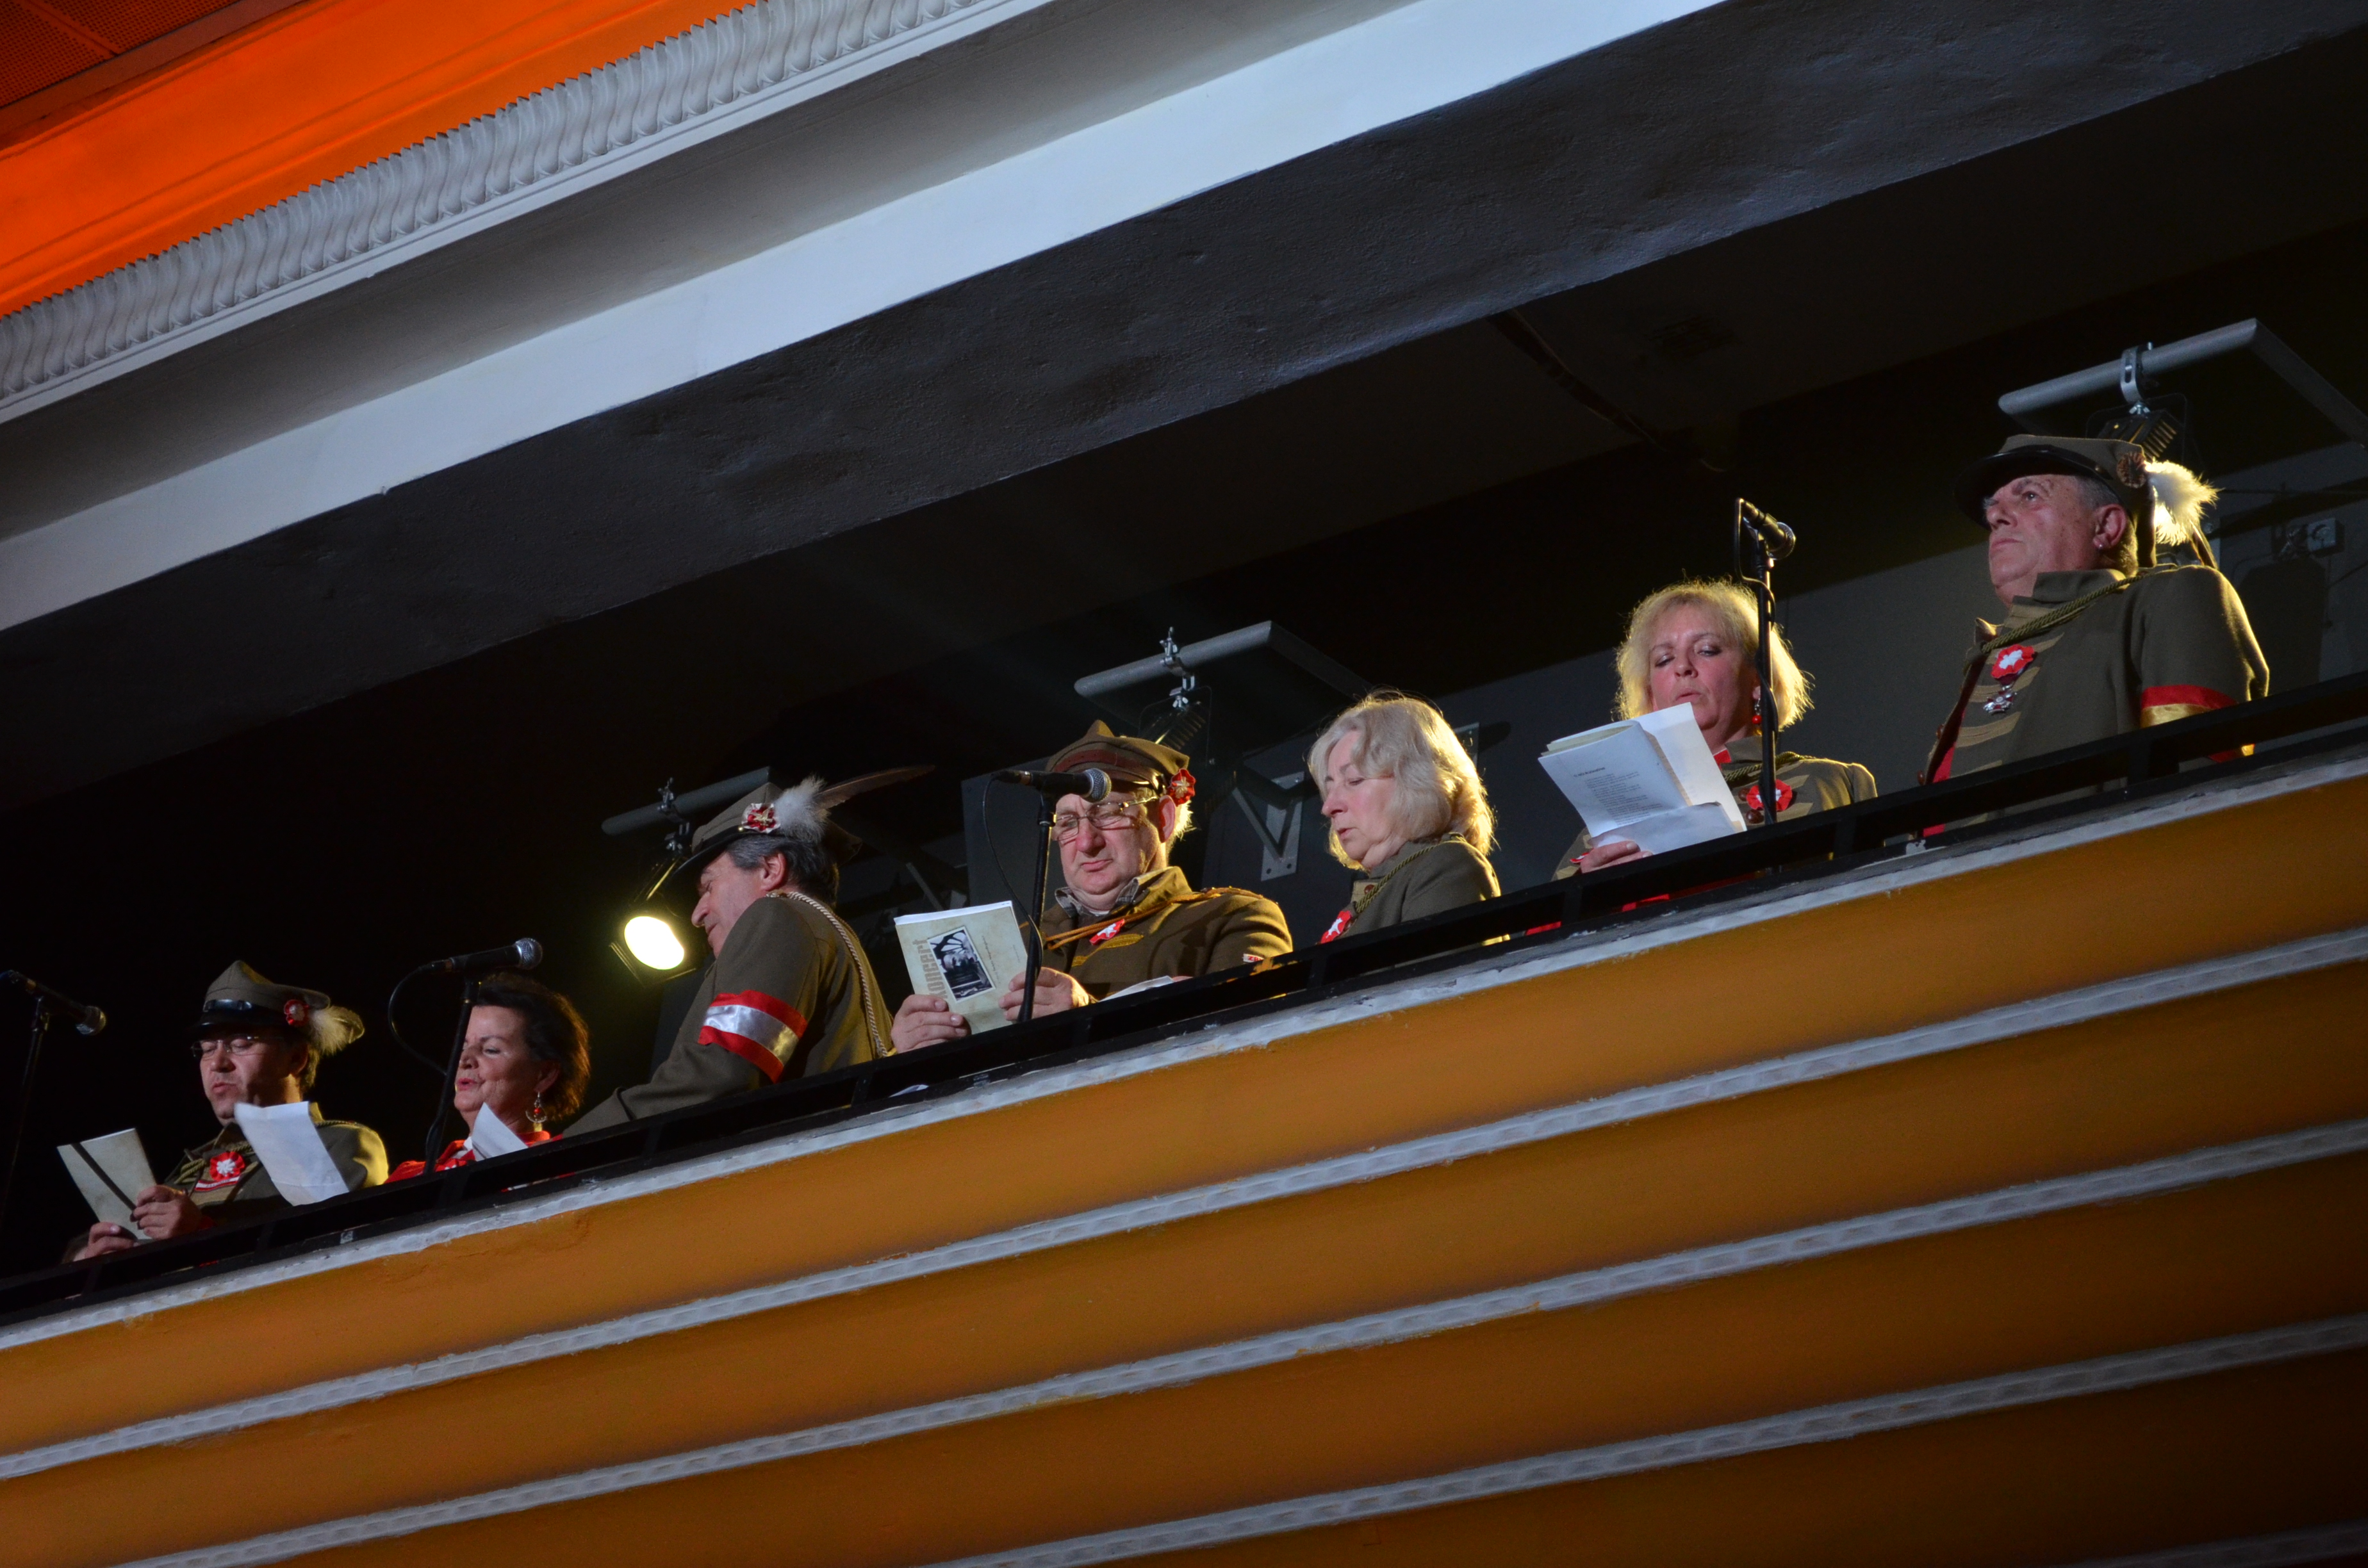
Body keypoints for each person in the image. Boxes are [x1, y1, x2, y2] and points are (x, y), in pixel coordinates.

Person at [891, 723, 1290, 1050]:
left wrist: (1090, 1016)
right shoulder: (1018, 943)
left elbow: (1253, 1039)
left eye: (1108, 813)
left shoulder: (1233, 916)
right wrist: (911, 1052)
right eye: (1067, 823)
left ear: (1164, 819)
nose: (1086, 842)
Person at [1925, 434, 2269, 782]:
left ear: (2106, 526)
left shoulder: (2170, 596)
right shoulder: (1989, 654)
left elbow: (2194, 782)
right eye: (1993, 507)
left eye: (2030, 496)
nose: (1995, 515)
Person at [572, 776, 890, 1129]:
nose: (697, 915)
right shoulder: (834, 940)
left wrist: (570, 1146)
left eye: (708, 887)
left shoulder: (778, 915)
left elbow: (721, 1073)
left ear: (769, 870)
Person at [1558, 579, 1876, 878]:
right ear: (1651, 696)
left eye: (1707, 650)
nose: (1683, 667)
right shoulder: (1605, 829)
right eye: (1664, 659)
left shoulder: (1829, 781)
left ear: (1758, 679)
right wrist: (1590, 893)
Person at [72, 963, 386, 1259]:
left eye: (241, 1044)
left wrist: (203, 1231)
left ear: (296, 1059)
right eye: (207, 1049)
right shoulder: (191, 1169)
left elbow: (339, 1250)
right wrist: (92, 1259)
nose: (217, 1063)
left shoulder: (340, 1143)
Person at [1309, 694, 1499, 940]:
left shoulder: (1446, 865)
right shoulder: (1383, 888)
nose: (1328, 807)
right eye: (1329, 788)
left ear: (1416, 782)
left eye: (1354, 781)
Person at [387, 972, 591, 1180]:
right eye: (463, 1046)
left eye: (491, 1050)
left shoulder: (562, 1166)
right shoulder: (407, 1175)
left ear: (544, 1075)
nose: (465, 1059)